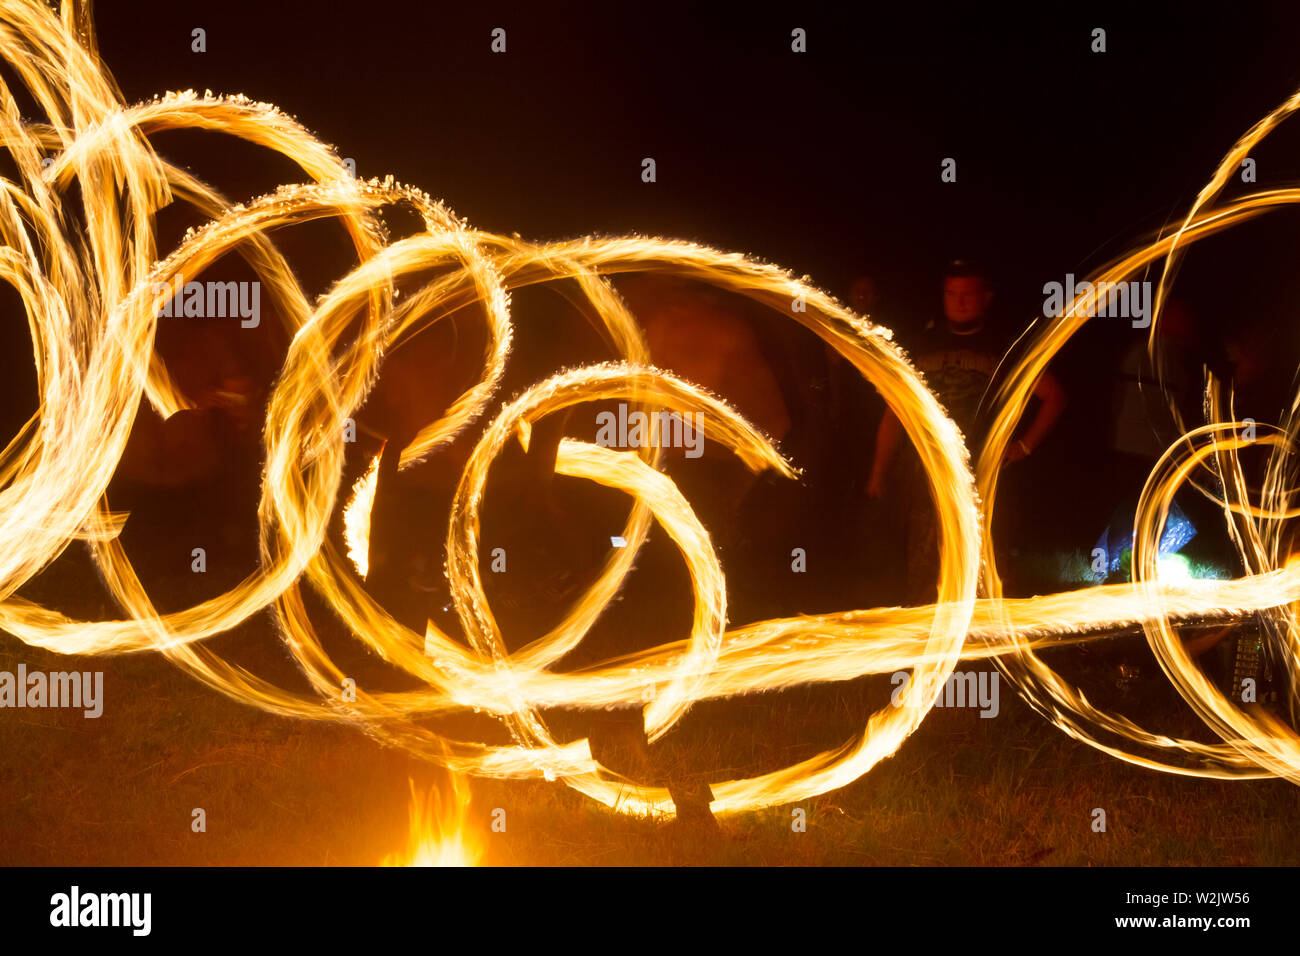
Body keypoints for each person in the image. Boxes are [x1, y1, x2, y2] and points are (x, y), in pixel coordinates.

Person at [865, 260, 1067, 604]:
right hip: (929, 477)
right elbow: (895, 412)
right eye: (951, 294)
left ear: (986, 298)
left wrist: (1025, 447)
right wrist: (878, 471)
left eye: (968, 295)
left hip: (983, 480)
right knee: (927, 572)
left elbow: (1054, 396)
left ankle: (987, 645)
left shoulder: (1005, 347)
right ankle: (932, 642)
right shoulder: (920, 345)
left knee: (986, 567)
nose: (959, 303)